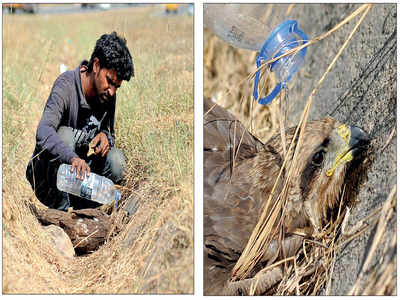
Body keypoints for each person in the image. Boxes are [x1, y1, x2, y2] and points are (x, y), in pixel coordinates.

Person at [26, 32, 134, 211]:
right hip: (48, 179)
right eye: (110, 82)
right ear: (97, 65)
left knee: (117, 161)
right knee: (64, 136)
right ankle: (61, 212)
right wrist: (72, 157)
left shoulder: (108, 96)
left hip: (78, 180)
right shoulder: (66, 85)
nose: (112, 91)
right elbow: (43, 131)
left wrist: (106, 137)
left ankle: (86, 211)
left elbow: (109, 131)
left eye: (117, 86)